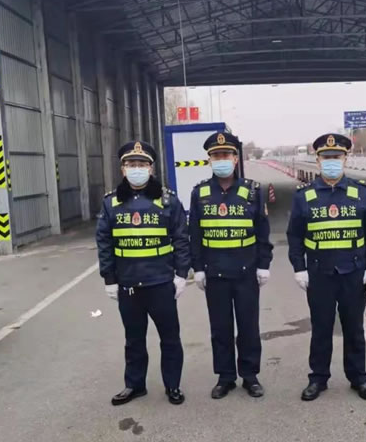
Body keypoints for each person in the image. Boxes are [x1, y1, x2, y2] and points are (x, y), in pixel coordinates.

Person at [286, 133, 366, 402]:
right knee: (321, 328)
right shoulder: (304, 196)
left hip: (354, 272)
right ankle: (318, 378)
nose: (331, 162)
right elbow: (295, 236)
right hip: (319, 274)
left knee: (354, 329)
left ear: (345, 159)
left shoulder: (361, 193)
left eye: (336, 157)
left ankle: (359, 378)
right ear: (317, 161)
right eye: (326, 157)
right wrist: (299, 267)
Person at [95, 140, 190, 406]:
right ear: (123, 169)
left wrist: (181, 274)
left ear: (151, 168)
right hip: (128, 284)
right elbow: (104, 243)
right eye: (131, 164)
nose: (136, 168)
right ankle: (135, 385)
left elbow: (181, 239)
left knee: (170, 338)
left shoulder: (168, 201)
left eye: (142, 164)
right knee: (133, 339)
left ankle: (172, 385)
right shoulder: (111, 203)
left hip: (161, 282)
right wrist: (109, 279)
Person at [189, 131, 273, 399]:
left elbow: (262, 232)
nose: (221, 160)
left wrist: (264, 264)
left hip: (246, 272)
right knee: (220, 329)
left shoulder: (253, 191)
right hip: (215, 273)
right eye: (216, 156)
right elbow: (195, 235)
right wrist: (197, 268)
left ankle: (250, 376)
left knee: (248, 327)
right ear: (209, 160)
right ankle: (225, 377)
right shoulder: (200, 192)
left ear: (236, 159)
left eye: (226, 155)